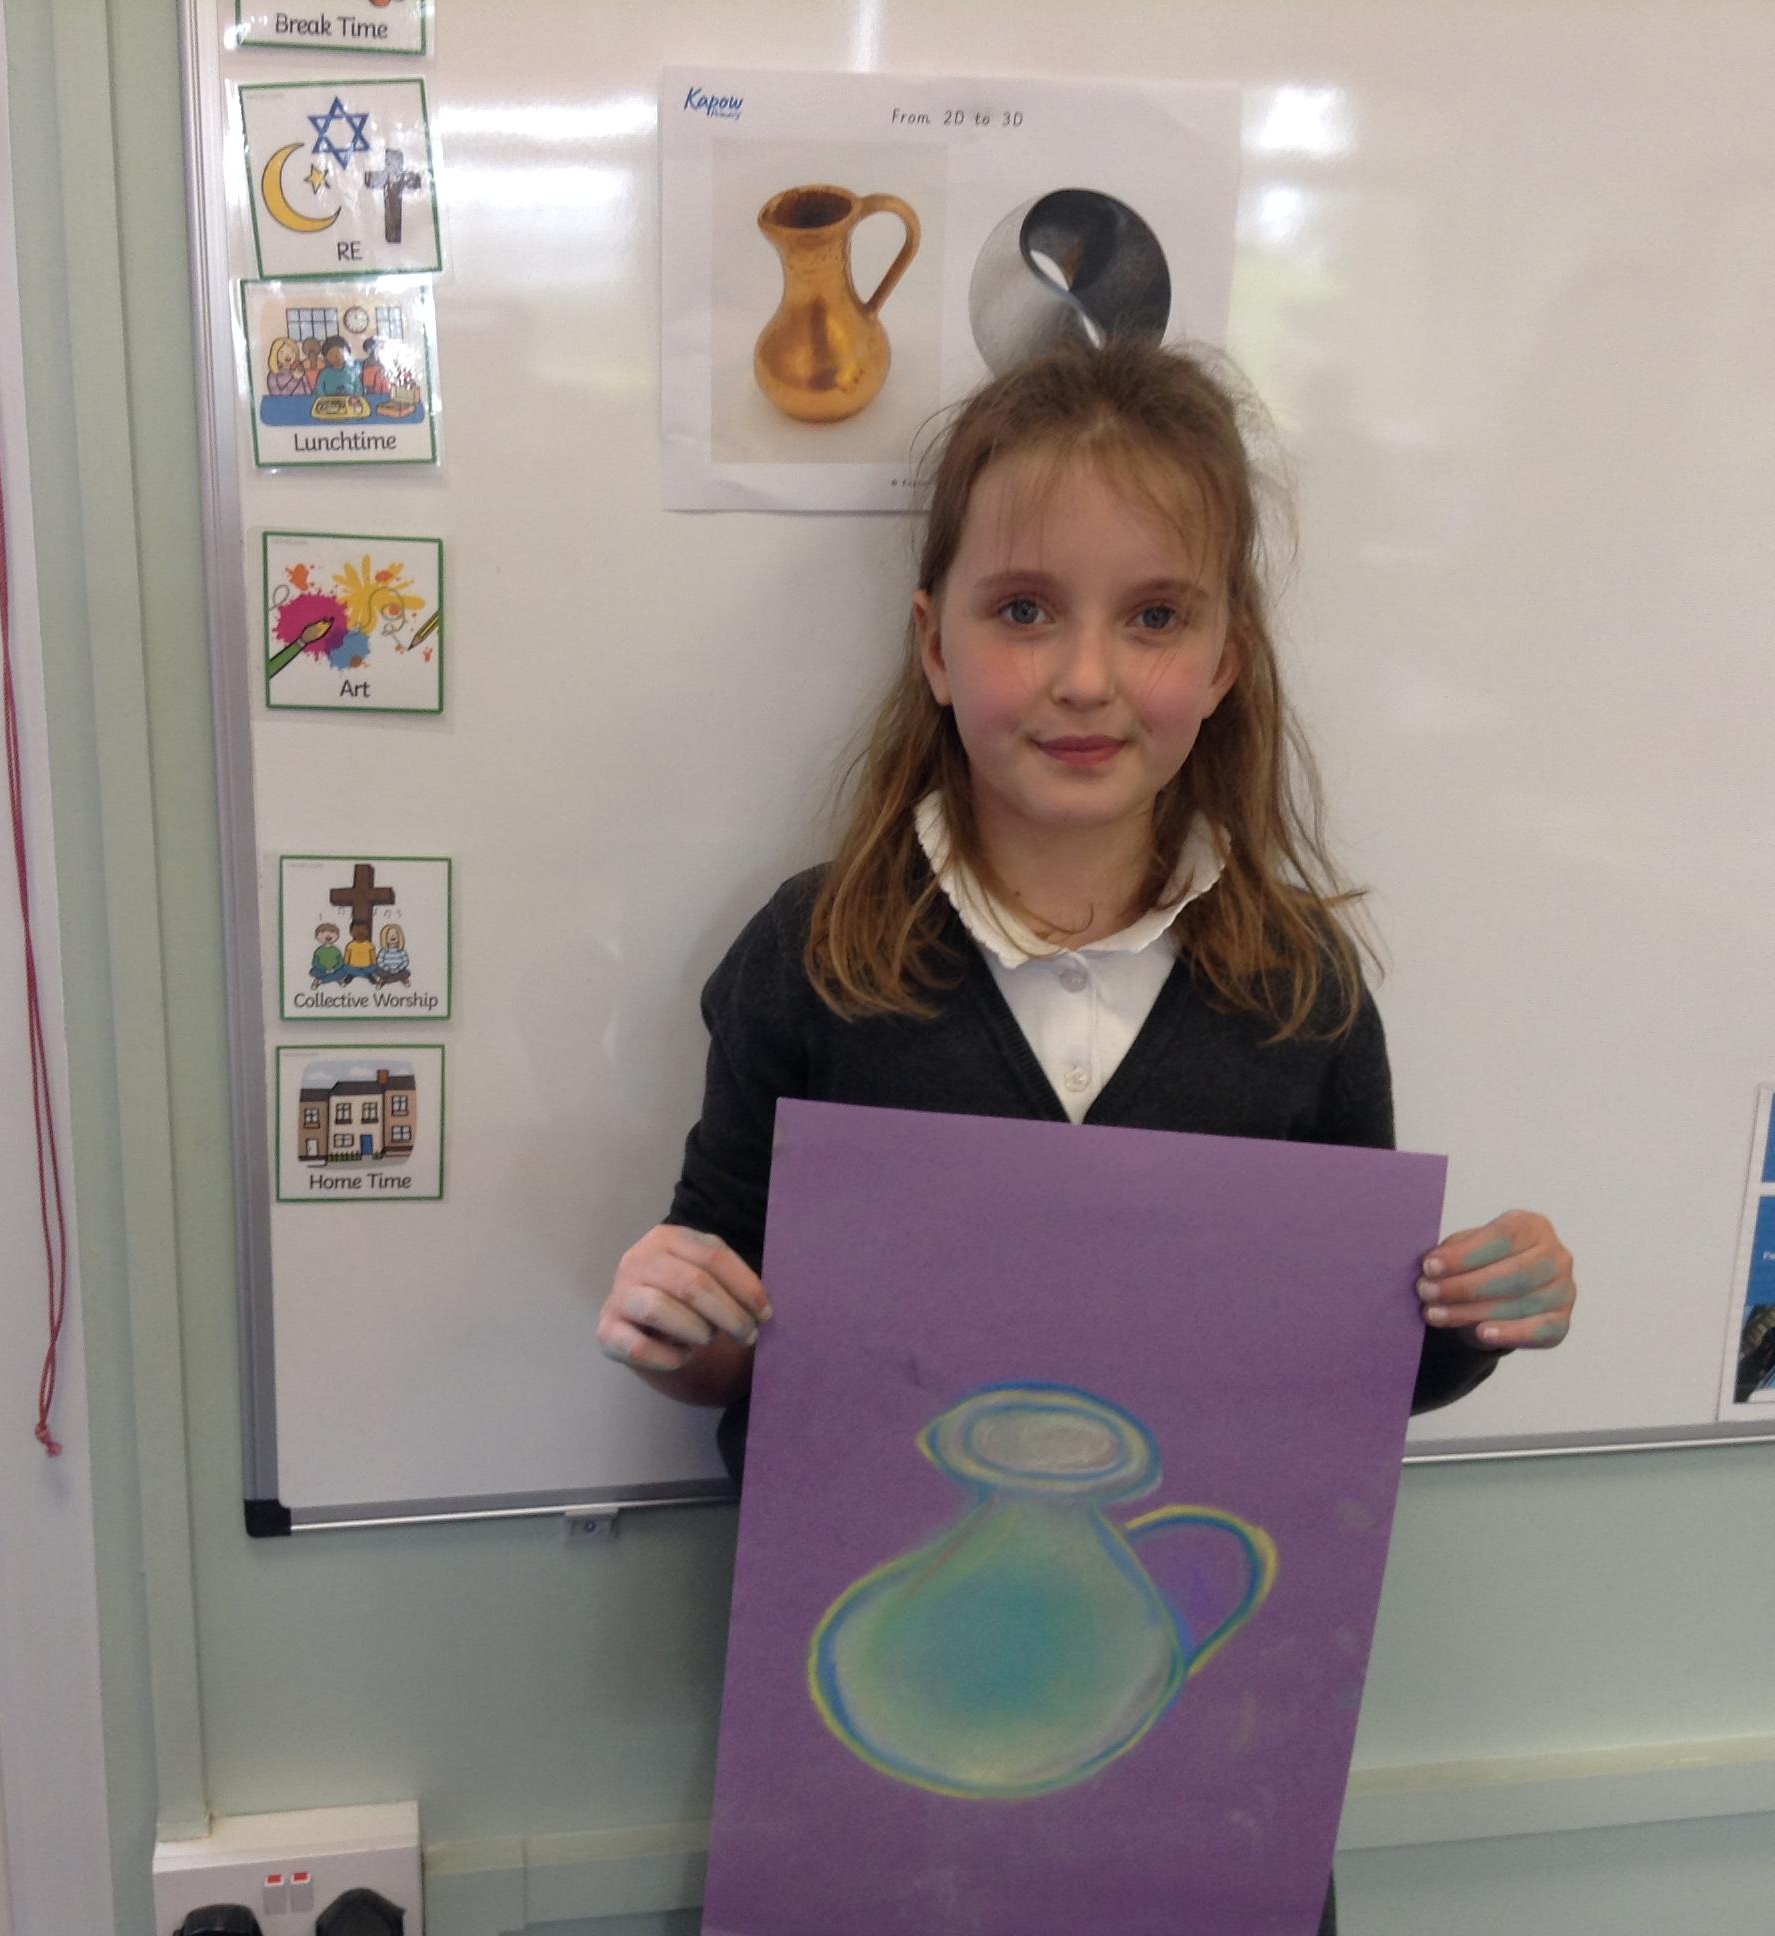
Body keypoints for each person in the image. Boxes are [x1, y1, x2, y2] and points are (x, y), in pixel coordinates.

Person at [594, 337, 1578, 1936]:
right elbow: (736, 1340)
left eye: (1156, 616)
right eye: (1024, 609)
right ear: (934, 643)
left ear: (1229, 659)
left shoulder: (1299, 993)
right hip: (866, 1816)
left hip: (1197, 1824)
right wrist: (676, 1318)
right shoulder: (815, 956)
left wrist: (1476, 1311)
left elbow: (1337, 1382)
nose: (1085, 678)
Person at [372, 921, 411, 986]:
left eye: (395, 934)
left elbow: (405, 961)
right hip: (386, 971)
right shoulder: (383, 951)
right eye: (389, 934)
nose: (393, 935)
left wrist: (398, 969)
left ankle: (392, 979)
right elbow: (379, 961)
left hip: (398, 971)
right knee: (377, 971)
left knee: (406, 972)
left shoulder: (402, 951)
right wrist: (387, 968)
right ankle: (385, 979)